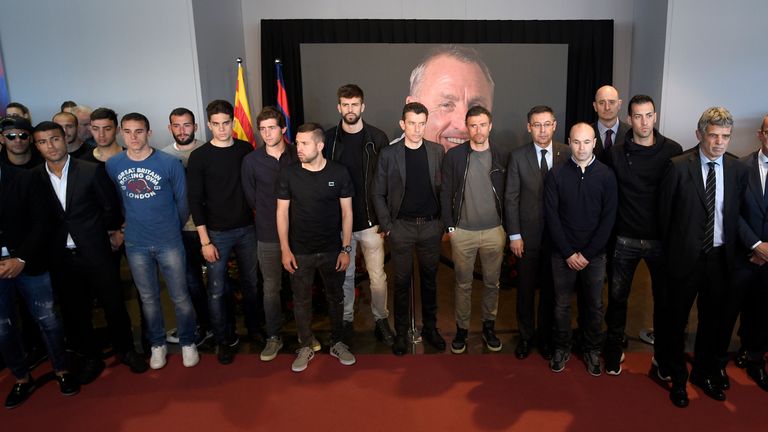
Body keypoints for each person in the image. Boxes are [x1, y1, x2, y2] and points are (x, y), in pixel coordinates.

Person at [32, 121, 148, 383]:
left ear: (64, 139)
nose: (50, 146)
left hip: (96, 251)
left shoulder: (91, 171)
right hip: (62, 256)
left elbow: (110, 208)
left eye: (54, 139)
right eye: (42, 142)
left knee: (113, 303)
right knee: (76, 310)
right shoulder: (35, 177)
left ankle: (126, 350)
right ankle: (90, 357)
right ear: (36, 146)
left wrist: (111, 233)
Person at [658, 107, 748, 407]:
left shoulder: (737, 169)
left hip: (721, 259)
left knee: (714, 322)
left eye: (725, 136)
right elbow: (665, 218)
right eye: (713, 135)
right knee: (676, 321)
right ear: (700, 135)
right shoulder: (678, 166)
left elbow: (737, 216)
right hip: (685, 259)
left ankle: (704, 373)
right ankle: (676, 377)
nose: (720, 142)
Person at [105, 112, 199, 370]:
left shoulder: (170, 162)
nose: (133, 137)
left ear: (149, 132)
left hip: (169, 239)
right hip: (136, 243)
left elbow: (183, 203)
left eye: (139, 131)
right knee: (148, 298)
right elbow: (117, 201)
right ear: (121, 133)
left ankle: (188, 341)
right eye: (128, 131)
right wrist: (127, 225)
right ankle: (157, 344)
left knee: (180, 296)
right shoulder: (114, 165)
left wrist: (171, 226)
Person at [602, 95, 682, 376]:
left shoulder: (673, 150)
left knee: (663, 302)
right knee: (617, 299)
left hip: (659, 241)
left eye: (648, 115)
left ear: (655, 116)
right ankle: (613, 353)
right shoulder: (616, 152)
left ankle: (662, 359)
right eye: (638, 116)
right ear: (629, 119)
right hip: (625, 239)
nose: (644, 122)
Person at [276, 123, 356, 372]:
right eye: (297, 143)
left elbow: (347, 213)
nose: (298, 148)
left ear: (320, 145)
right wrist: (285, 249)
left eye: (304, 143)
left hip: (332, 248)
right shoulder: (288, 174)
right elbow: (281, 213)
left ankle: (338, 342)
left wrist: (345, 248)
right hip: (300, 250)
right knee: (300, 301)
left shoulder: (339, 172)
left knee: (336, 297)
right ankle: (305, 345)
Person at [187, 100, 261, 365]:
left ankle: (255, 330)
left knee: (252, 284)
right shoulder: (200, 156)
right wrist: (205, 240)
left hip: (246, 229)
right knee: (217, 290)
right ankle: (224, 339)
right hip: (216, 233)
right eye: (216, 124)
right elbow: (195, 201)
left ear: (233, 123)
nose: (221, 129)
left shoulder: (244, 149)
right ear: (208, 125)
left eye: (226, 123)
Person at [0, 160, 79, 409]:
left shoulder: (25, 178)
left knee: (48, 319)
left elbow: (42, 221)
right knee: (3, 328)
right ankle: (22, 378)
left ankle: (62, 371)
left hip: (29, 261)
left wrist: (21, 258)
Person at [372, 102, 446, 356]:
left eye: (421, 123)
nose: (417, 129)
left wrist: (442, 223)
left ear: (426, 124)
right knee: (401, 283)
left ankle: (431, 329)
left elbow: (445, 190)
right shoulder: (389, 154)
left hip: (430, 227)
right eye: (412, 123)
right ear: (403, 124)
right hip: (401, 228)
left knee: (430, 282)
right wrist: (388, 226)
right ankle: (401, 333)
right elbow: (377, 192)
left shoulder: (437, 151)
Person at [323, 84, 393, 346]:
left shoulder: (377, 137)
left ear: (362, 106)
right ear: (339, 107)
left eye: (355, 104)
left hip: (371, 221)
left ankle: (381, 320)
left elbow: (387, 181)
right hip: (340, 224)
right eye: (345, 104)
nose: (350, 109)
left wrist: (384, 218)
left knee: (377, 277)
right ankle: (347, 321)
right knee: (346, 276)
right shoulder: (328, 140)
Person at [545, 122, 617, 376]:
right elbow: (551, 217)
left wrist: (587, 254)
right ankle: (561, 347)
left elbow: (608, 219)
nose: (581, 147)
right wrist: (568, 253)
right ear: (569, 142)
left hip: (594, 256)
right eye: (576, 142)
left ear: (594, 143)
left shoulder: (607, 176)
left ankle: (591, 349)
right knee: (561, 304)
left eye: (587, 142)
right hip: (562, 253)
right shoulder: (556, 174)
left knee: (594, 305)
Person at [506, 105, 570, 360]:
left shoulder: (567, 153)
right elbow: (511, 198)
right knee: (525, 289)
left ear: (554, 125)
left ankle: (545, 338)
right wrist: (514, 235)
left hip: (558, 238)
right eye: (537, 125)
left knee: (550, 290)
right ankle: (525, 337)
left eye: (547, 124)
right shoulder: (518, 156)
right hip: (527, 237)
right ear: (529, 127)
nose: (542, 130)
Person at [441, 105, 507, 353]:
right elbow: (446, 192)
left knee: (492, 283)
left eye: (482, 124)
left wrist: (506, 228)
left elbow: (509, 194)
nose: (478, 130)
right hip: (463, 233)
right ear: (467, 128)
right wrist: (450, 226)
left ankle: (489, 327)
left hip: (494, 232)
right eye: (473, 125)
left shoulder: (501, 155)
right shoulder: (455, 156)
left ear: (490, 126)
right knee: (463, 284)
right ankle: (462, 330)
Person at [242, 106, 298, 361]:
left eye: (271, 128)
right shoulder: (251, 161)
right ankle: (274, 336)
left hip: (300, 232)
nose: (266, 133)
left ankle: (305, 335)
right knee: (271, 288)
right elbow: (252, 198)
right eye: (262, 129)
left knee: (300, 286)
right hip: (267, 233)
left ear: (283, 128)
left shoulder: (298, 155)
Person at [160, 108, 211, 348]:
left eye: (187, 125)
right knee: (190, 282)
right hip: (180, 230)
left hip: (209, 228)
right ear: (169, 128)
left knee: (216, 282)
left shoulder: (207, 151)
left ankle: (218, 325)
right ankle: (202, 325)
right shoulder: (163, 157)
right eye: (177, 126)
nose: (182, 130)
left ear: (196, 126)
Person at [728, 114, 768, 392]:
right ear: (760, 134)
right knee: (728, 309)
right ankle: (717, 359)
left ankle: (754, 357)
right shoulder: (741, 167)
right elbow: (732, 212)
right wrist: (755, 245)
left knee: (763, 312)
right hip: (743, 254)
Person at [405, 45, 494, 153]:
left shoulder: (502, 165)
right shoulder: (389, 164)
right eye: (446, 105)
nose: (463, 126)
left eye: (476, 107)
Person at [592, 85, 630, 162]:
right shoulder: (585, 133)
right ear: (595, 106)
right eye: (602, 103)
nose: (607, 107)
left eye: (611, 102)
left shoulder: (631, 133)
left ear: (619, 104)